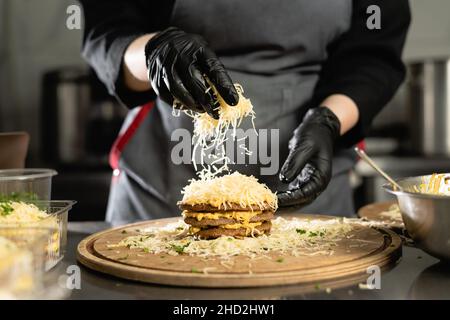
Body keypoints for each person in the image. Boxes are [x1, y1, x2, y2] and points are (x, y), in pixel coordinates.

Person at [79, 0, 410, 222]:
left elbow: (373, 54)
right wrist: (154, 54)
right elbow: (107, 28)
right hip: (161, 201)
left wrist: (328, 119)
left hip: (310, 206)